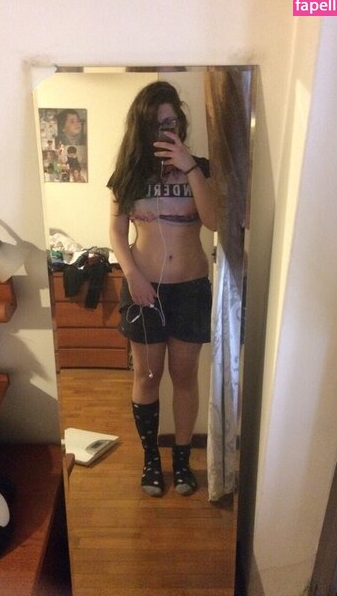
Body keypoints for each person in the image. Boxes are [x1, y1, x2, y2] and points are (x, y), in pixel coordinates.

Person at [109, 81, 217, 497]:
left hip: (190, 289)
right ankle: (151, 459)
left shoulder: (200, 168)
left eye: (171, 122)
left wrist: (189, 167)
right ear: (143, 128)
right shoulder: (127, 175)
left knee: (185, 376)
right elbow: (117, 232)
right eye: (157, 124)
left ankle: (182, 461)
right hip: (143, 288)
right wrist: (132, 275)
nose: (165, 130)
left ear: (181, 123)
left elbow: (214, 221)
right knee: (147, 375)